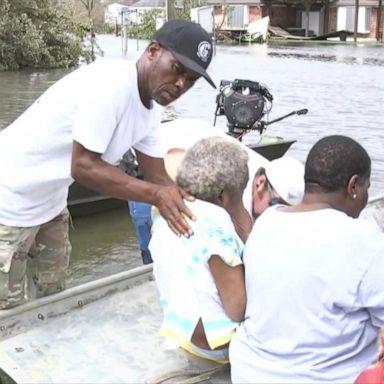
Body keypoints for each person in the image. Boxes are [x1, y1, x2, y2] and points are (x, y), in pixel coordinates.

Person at [0, 20, 215, 309]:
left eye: (191, 80)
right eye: (178, 69)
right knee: (8, 313)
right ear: (153, 51)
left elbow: (157, 176)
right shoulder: (111, 85)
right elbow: (84, 167)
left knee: (52, 302)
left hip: (50, 202)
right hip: (9, 200)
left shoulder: (151, 107)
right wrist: (156, 197)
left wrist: (202, 214)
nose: (181, 84)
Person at [230, 135, 384, 384]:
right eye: (366, 187)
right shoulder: (362, 238)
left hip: (249, 372)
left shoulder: (267, 221)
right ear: (353, 186)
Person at [149, 136, 250, 363]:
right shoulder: (216, 222)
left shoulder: (165, 210)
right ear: (222, 196)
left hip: (184, 334)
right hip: (219, 345)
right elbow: (238, 309)